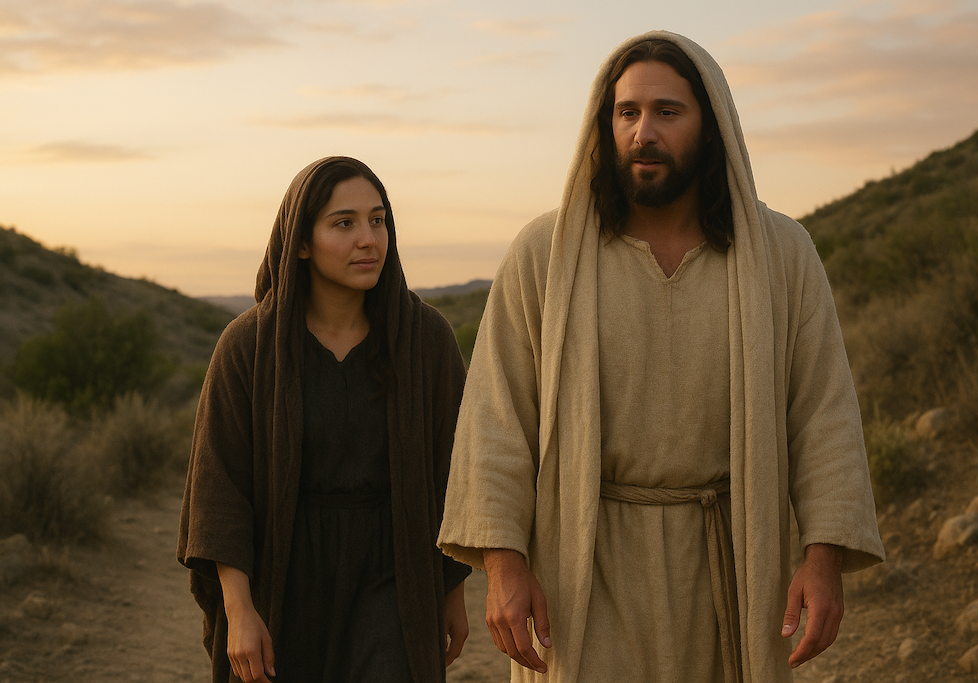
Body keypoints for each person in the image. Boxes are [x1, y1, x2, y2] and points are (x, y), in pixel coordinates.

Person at [437, 31, 885, 683]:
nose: (644, 131)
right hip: (584, 564)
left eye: (667, 112)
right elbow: (496, 419)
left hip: (730, 560)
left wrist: (823, 558)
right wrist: (505, 564)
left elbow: (822, 415)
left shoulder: (781, 255)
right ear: (605, 122)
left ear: (712, 125)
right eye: (628, 112)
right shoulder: (545, 255)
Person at [178, 156, 472, 683]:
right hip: (285, 572)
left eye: (378, 220)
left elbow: (451, 475)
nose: (368, 239)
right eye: (345, 223)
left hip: (394, 569)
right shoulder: (248, 347)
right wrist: (241, 611)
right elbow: (219, 490)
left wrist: (451, 593)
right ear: (302, 242)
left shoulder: (425, 341)